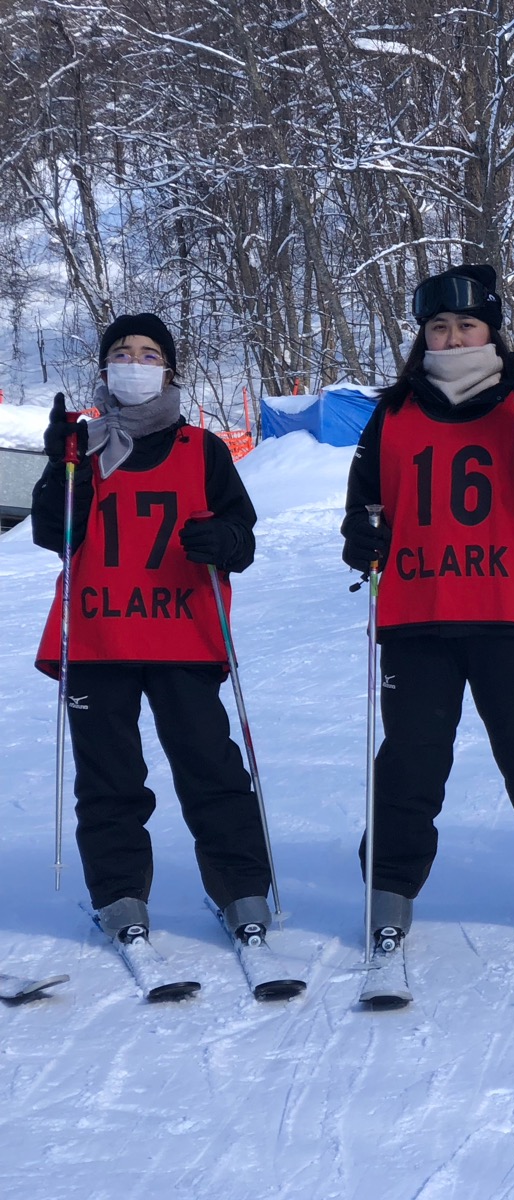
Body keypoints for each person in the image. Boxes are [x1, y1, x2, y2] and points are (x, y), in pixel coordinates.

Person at [340, 265, 514, 965]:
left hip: (510, 608)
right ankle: (389, 890)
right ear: (421, 336)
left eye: (467, 325)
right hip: (416, 615)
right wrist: (361, 538)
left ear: (493, 331)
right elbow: (365, 504)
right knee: (410, 763)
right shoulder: (393, 412)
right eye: (438, 327)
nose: (453, 338)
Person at [32, 313, 275, 953]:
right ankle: (119, 894)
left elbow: (242, 536)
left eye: (148, 353)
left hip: (182, 635)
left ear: (169, 369)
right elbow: (51, 531)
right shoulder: (81, 446)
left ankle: (242, 888)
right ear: (105, 367)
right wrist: (64, 466)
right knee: (109, 778)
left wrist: (222, 539)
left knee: (210, 767)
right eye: (121, 352)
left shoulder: (204, 449)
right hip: (98, 638)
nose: (134, 363)